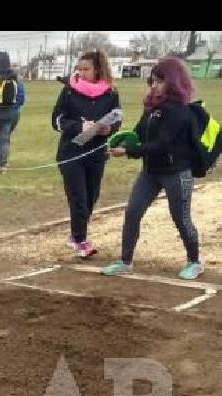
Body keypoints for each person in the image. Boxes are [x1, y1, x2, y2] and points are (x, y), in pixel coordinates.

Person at [102, 56, 203, 280]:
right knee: (132, 212)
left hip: (176, 172)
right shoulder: (152, 107)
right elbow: (138, 133)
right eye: (152, 81)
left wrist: (129, 152)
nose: (154, 86)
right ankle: (125, 261)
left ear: (174, 81)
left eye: (159, 81)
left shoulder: (179, 110)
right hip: (151, 172)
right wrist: (119, 142)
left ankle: (194, 262)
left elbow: (162, 144)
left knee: (180, 218)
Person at [51, 49, 120, 258]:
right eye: (78, 69)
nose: (81, 73)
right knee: (78, 197)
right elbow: (56, 120)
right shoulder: (69, 91)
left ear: (97, 69)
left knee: (91, 196)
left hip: (97, 152)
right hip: (71, 153)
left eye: (86, 69)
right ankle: (80, 240)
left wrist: (110, 128)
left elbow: (117, 117)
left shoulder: (111, 93)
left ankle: (75, 235)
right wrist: (79, 126)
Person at [0, 77, 25, 167]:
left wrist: (8, 106)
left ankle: (0, 160)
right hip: (13, 112)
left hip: (9, 112)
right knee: (4, 136)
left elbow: (20, 99)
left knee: (2, 135)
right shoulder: (19, 82)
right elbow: (21, 99)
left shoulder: (5, 80)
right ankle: (1, 159)